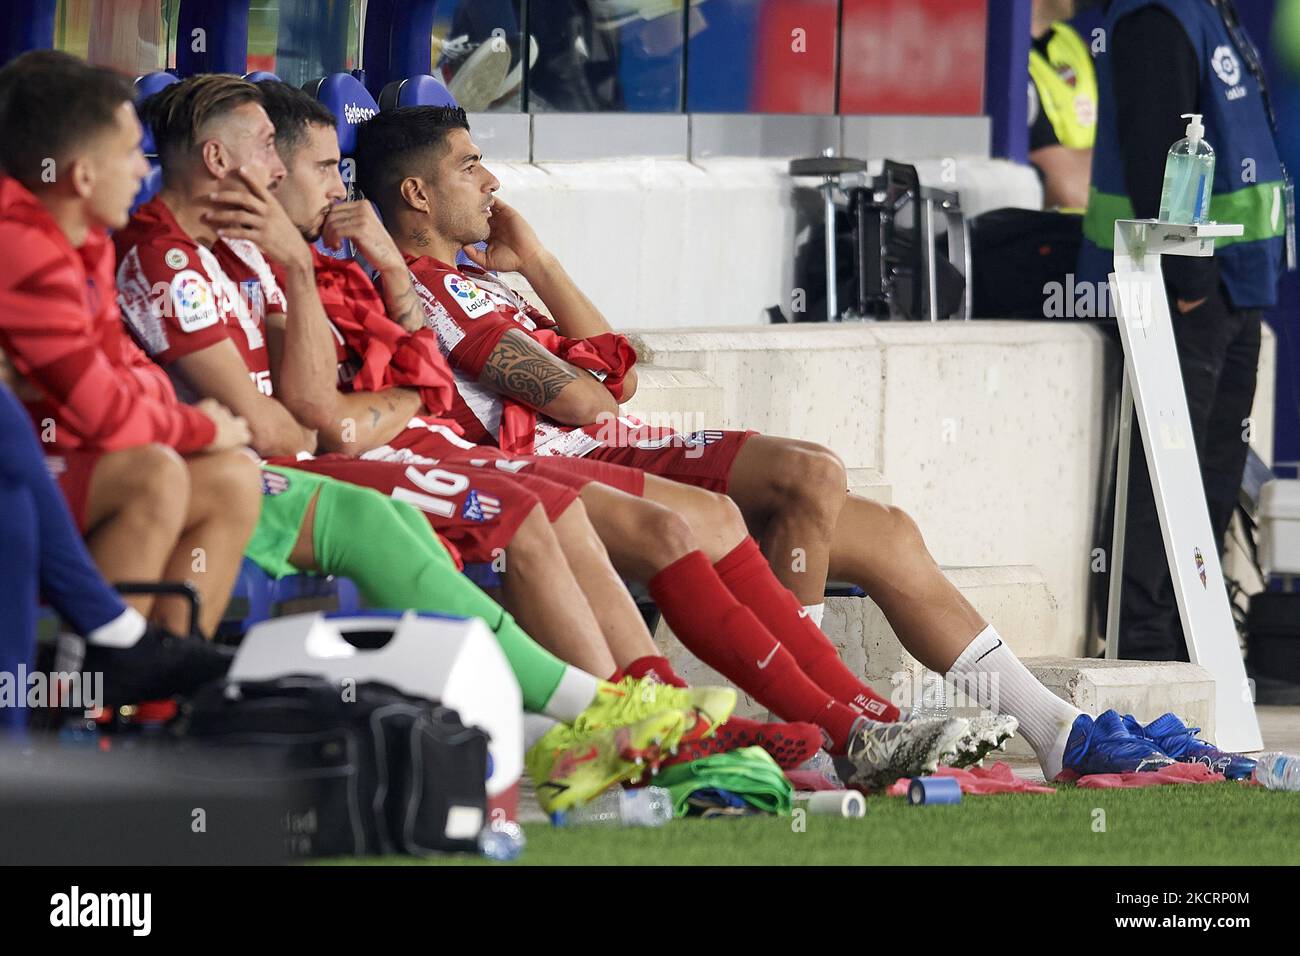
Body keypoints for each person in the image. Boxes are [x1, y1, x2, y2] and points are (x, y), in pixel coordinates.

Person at [357, 103, 1265, 783]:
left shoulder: (485, 280)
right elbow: (596, 404)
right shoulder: (437, 293)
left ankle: (1053, 730)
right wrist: (567, 331)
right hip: (584, 462)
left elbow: (618, 376)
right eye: (473, 167)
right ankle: (843, 734)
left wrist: (544, 264)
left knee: (892, 532)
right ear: (416, 192)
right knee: (807, 475)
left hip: (617, 440)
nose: (493, 184)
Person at [0, 51, 261, 641]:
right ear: (81, 176)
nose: (143, 172)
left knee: (233, 480)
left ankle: (160, 704)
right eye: (128, 154)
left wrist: (142, 404)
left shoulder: (84, 236)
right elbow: (100, 412)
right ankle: (91, 697)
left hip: (62, 459)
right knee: (153, 474)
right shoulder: (17, 242)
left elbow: (123, 374)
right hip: (21, 483)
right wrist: (199, 427)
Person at [1078, 0, 1293, 661]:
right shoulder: (1157, 17)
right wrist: (1190, 285)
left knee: (1213, 473)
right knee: (1164, 470)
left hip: (1239, 286)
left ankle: (1184, 632)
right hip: (1186, 290)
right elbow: (1155, 154)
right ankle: (1144, 638)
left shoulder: (1213, 12)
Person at [1028, 0, 1097, 211]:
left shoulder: (1072, 41)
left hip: (1091, 234)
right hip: (1042, 234)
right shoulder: (1002, 52)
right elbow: (1063, 187)